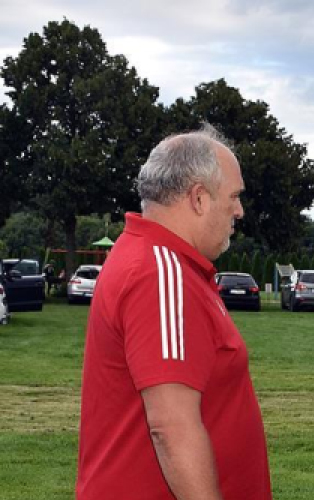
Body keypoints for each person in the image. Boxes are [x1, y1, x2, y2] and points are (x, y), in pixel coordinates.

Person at [76, 125, 272, 500]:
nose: (239, 210)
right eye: (233, 196)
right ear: (199, 198)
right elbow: (171, 427)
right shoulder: (160, 271)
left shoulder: (161, 262)